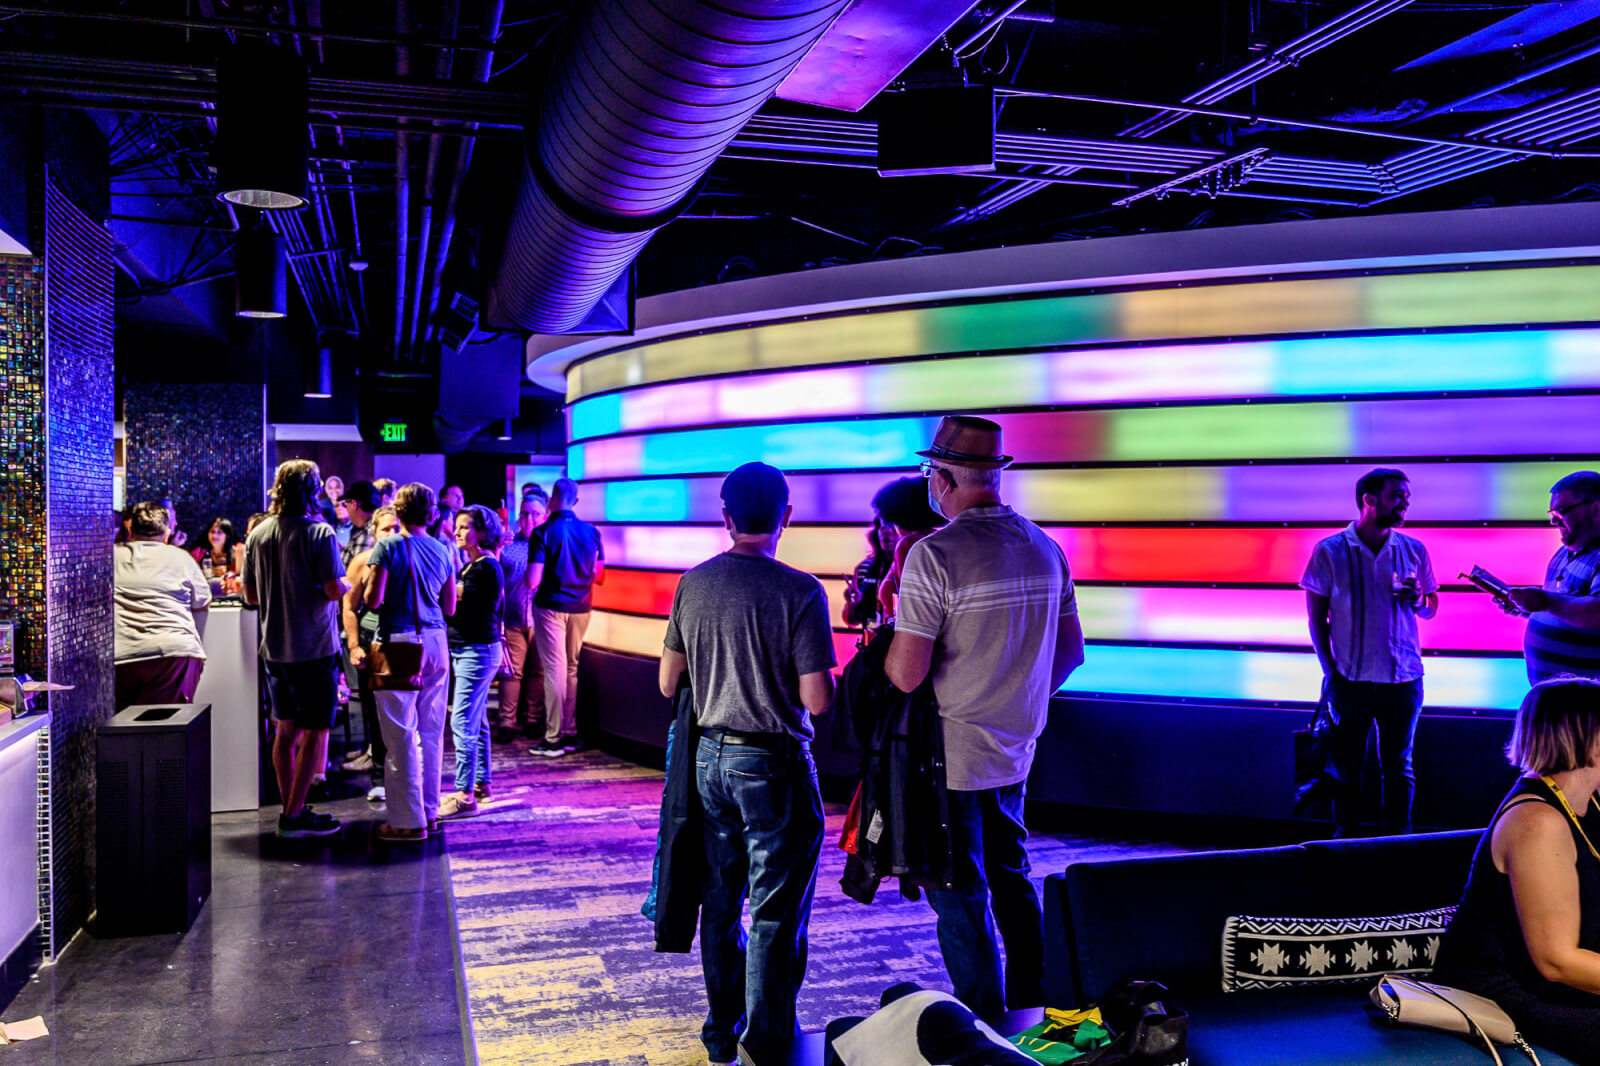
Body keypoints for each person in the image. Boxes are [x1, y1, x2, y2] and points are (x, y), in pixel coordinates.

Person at [885, 415, 1084, 1018]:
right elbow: (1072, 652)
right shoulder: (1045, 547)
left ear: (942, 478)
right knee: (1013, 877)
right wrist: (1015, 698)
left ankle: (983, 1021)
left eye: (929, 475)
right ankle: (1034, 1010)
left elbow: (907, 673)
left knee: (959, 889)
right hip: (1018, 747)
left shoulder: (933, 554)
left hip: (953, 755)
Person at [657, 462, 836, 1064]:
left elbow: (666, 683)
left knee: (722, 901)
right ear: (786, 517)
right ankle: (766, 1043)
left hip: (709, 760)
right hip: (775, 765)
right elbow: (816, 698)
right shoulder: (801, 590)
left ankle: (719, 1036)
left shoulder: (693, 584)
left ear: (725, 517)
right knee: (774, 913)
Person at [1431, 678, 1600, 1063]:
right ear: (1587, 736)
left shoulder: (1588, 800)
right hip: (1508, 991)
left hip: (1558, 986)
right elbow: (1556, 961)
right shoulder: (1536, 821)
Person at [1302, 467, 1440, 837]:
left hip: (1404, 677)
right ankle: (1345, 838)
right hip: (1351, 678)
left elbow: (1431, 608)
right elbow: (1317, 619)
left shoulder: (1413, 549)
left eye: (1406, 497)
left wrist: (1419, 600)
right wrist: (1330, 672)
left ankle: (1398, 839)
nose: (1405, 503)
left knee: (1399, 765)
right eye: (1398, 495)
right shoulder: (1330, 551)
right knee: (1347, 764)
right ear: (1369, 499)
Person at [243, 461, 348, 839]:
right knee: (317, 731)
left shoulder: (258, 534)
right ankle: (292, 817)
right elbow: (334, 589)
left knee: (284, 732)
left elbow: (250, 596)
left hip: (274, 648)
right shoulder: (320, 532)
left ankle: (293, 807)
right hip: (314, 647)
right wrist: (344, 585)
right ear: (315, 488)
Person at [364, 482, 457, 843]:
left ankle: (407, 820)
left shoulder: (387, 546)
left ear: (398, 512)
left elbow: (374, 600)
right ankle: (430, 812)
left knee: (400, 734)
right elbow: (450, 607)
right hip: (436, 642)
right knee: (432, 731)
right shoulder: (443, 548)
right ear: (432, 514)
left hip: (398, 643)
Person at [528, 477, 606, 757]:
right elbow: (600, 576)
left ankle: (552, 739)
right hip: (582, 607)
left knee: (554, 670)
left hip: (550, 606)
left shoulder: (542, 532)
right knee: (571, 668)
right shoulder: (592, 532)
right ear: (576, 501)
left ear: (551, 499)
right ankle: (570, 733)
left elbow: (533, 580)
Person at [439, 506, 505, 820]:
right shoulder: (474, 565)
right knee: (476, 723)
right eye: (458, 527)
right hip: (473, 649)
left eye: (466, 527)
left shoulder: (484, 568)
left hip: (476, 651)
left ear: (482, 531)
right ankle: (481, 785)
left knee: (462, 722)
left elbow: (453, 606)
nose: (459, 532)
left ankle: (464, 794)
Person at [113, 501, 212, 709]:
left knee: (122, 733)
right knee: (165, 733)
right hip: (172, 654)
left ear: (130, 528)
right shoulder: (179, 557)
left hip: (122, 656)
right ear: (167, 532)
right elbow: (202, 600)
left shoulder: (113, 555)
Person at [1512, 471, 1600, 684]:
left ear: (1597, 508)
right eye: (1552, 513)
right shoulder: (1565, 551)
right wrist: (1529, 607)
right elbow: (1567, 610)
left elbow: (1597, 614)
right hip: (1557, 698)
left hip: (1586, 704)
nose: (1553, 521)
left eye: (1561, 512)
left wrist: (1544, 601)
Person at [341, 506, 401, 802]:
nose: (391, 534)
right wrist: (354, 646)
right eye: (385, 529)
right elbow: (349, 607)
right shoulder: (362, 561)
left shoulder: (410, 555)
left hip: (403, 639)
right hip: (370, 638)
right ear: (374, 533)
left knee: (404, 712)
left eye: (396, 527)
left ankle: (405, 774)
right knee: (374, 712)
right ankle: (379, 776)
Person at [495, 493, 549, 741]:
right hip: (513, 616)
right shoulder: (508, 544)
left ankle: (533, 719)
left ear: (545, 516)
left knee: (538, 671)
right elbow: (494, 577)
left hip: (542, 617)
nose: (529, 519)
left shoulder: (550, 543)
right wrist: (497, 547)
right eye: (525, 513)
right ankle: (507, 722)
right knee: (512, 672)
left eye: (535, 514)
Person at [339, 480, 382, 568]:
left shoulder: (367, 535)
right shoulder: (375, 528)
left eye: (346, 504)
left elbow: (358, 575)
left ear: (354, 504)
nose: (346, 508)